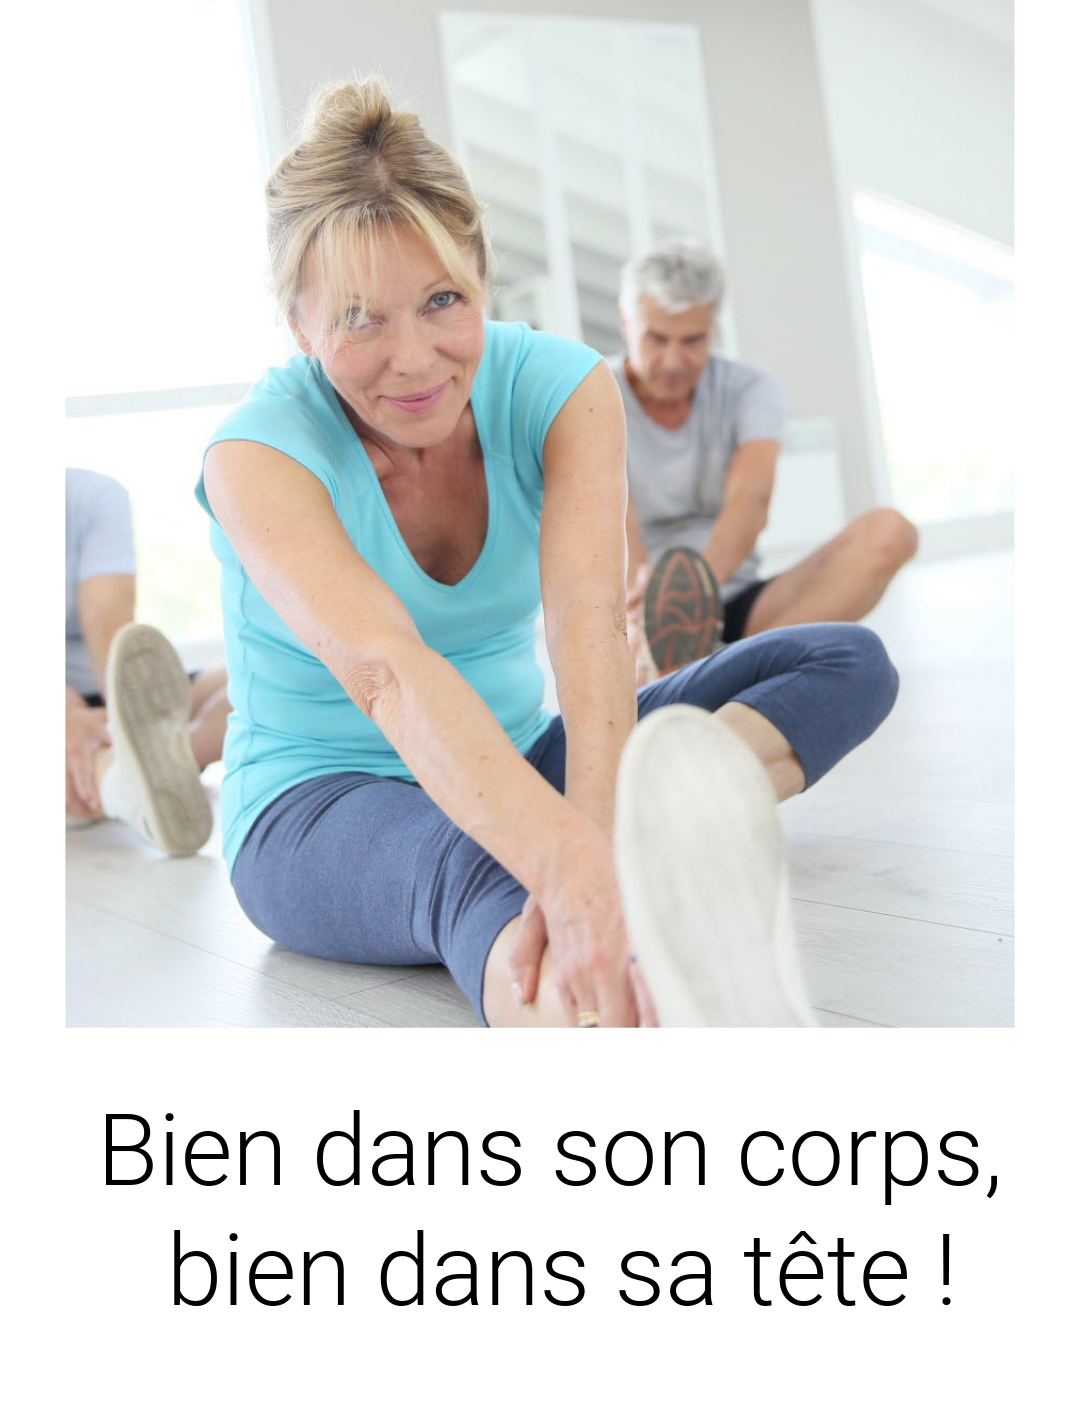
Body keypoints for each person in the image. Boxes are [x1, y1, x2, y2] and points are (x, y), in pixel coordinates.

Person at [197, 77, 900, 1029]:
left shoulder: (560, 386)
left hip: (520, 754)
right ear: (300, 326)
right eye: (360, 318)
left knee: (842, 662)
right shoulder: (257, 454)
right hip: (320, 803)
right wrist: (560, 862)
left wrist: (589, 834)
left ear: (483, 280)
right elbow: (387, 673)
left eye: (442, 300)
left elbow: (585, 618)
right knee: (490, 866)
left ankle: (621, 858)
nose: (415, 358)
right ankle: (650, 1027)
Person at [611, 240, 919, 680]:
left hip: (732, 597)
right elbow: (611, 513)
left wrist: (692, 595)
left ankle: (730, 673)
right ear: (626, 323)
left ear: (713, 329)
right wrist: (655, 607)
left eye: (693, 340)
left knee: (891, 532)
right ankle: (707, 674)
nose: (674, 360)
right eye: (656, 339)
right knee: (616, 627)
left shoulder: (751, 389)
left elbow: (751, 498)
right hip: (634, 604)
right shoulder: (595, 392)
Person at [65, 467, 228, 852]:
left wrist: (119, 721)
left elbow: (109, 627)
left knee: (256, 677)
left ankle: (152, 766)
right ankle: (121, 782)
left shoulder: (91, 495)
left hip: (110, 693)